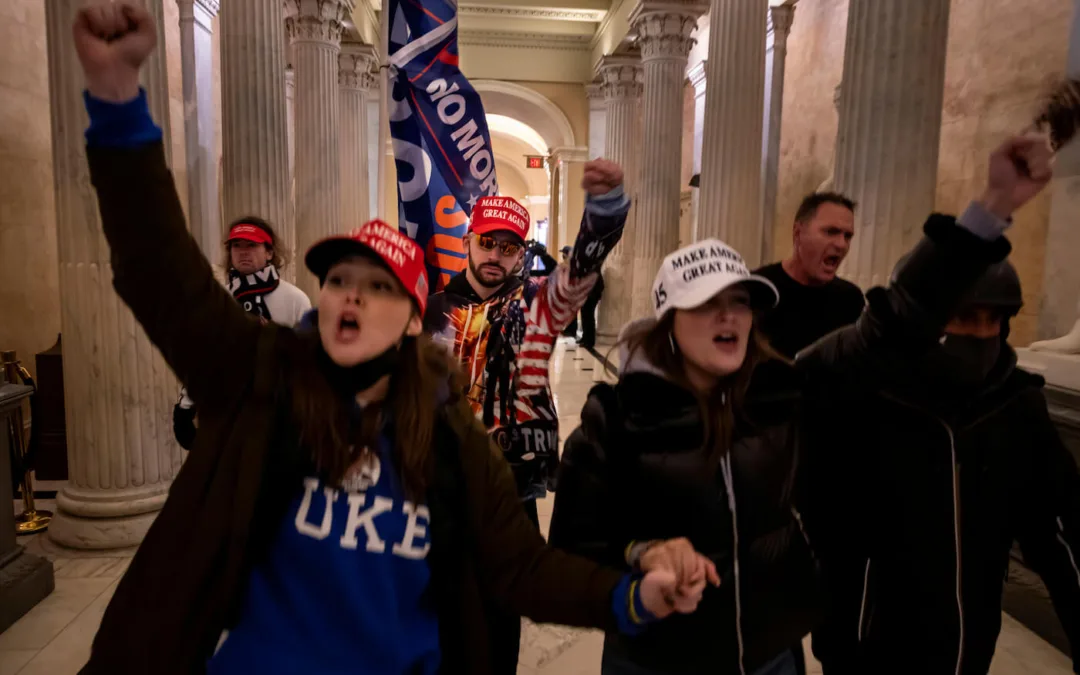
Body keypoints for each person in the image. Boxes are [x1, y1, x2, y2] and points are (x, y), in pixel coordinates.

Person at [71, 5, 718, 674]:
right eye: (339, 279)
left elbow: (522, 568)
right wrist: (117, 104)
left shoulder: (450, 432)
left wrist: (630, 598)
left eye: (378, 286)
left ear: (409, 322)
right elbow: (160, 272)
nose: (351, 294)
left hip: (506, 481)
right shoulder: (263, 380)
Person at [549, 133, 1056, 675]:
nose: (730, 315)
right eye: (707, 303)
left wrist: (991, 209)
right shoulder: (614, 420)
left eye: (741, 301)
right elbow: (571, 549)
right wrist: (642, 553)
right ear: (668, 323)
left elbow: (895, 322)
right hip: (657, 660)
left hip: (772, 655)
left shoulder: (781, 394)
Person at [801, 226, 1080, 668]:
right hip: (866, 647)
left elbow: (1056, 530)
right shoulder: (866, 396)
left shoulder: (1016, 406)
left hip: (969, 647)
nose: (981, 334)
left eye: (993, 320)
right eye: (964, 317)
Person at [424, 170, 628, 529]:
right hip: (441, 476)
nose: (495, 255)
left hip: (514, 478)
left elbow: (579, 272)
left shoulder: (535, 303)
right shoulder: (430, 311)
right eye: (487, 242)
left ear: (520, 257)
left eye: (508, 248)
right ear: (466, 242)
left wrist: (604, 212)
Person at [173, 216, 311, 450]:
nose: (243, 252)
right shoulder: (216, 300)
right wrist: (185, 407)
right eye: (236, 245)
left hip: (281, 418)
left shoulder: (295, 301)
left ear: (269, 252)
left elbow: (309, 365)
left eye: (252, 245)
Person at [754, 192, 865, 359]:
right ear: (798, 233)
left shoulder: (851, 299)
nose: (842, 244)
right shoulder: (757, 288)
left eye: (847, 236)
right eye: (831, 232)